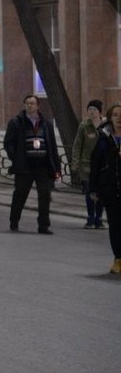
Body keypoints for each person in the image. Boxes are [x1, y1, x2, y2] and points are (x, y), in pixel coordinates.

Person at [3, 94, 60, 234]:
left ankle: (44, 225)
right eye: (28, 103)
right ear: (24, 105)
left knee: (45, 196)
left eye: (33, 103)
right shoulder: (16, 122)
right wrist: (15, 159)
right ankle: (14, 221)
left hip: (43, 166)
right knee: (20, 195)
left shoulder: (46, 123)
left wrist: (56, 168)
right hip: (24, 166)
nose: (30, 105)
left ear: (37, 106)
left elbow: (52, 145)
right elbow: (8, 142)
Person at [88, 103, 121, 273]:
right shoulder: (104, 138)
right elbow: (95, 164)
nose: (119, 118)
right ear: (110, 118)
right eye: (115, 115)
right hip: (110, 190)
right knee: (115, 225)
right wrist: (93, 189)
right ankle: (118, 259)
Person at [71, 100, 105, 229]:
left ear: (99, 111)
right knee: (90, 191)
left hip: (103, 165)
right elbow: (77, 145)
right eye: (90, 109)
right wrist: (75, 162)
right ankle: (90, 217)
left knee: (101, 192)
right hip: (87, 165)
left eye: (95, 109)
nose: (92, 112)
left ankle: (99, 218)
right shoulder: (84, 126)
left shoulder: (106, 126)